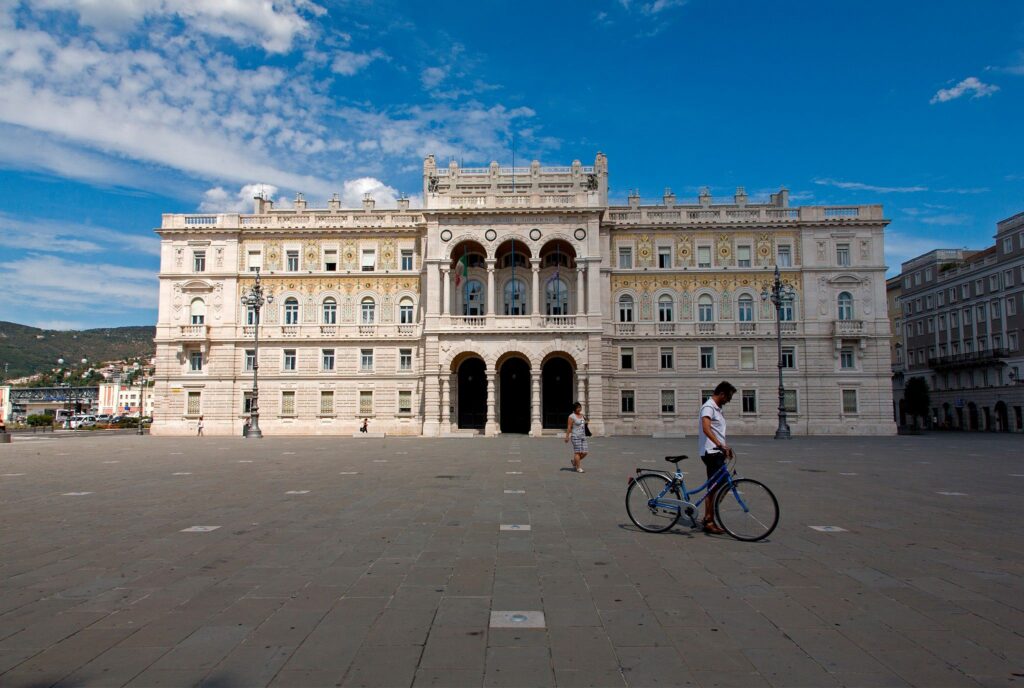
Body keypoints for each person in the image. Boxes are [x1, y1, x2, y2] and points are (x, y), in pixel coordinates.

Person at [698, 381, 736, 535]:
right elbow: (706, 429)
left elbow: (717, 431)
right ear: (721, 394)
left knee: (717, 486)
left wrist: (723, 447)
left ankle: (708, 516)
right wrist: (720, 445)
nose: (729, 400)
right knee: (714, 487)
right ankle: (708, 520)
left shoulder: (717, 409)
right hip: (711, 452)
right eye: (728, 397)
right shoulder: (708, 407)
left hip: (717, 451)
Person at [563, 402, 588, 473]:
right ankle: (578, 468)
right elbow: (569, 427)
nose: (579, 409)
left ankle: (574, 462)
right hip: (575, 436)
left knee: (585, 452)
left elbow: (586, 423)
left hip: (583, 436)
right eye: (578, 407)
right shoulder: (571, 416)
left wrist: (586, 420)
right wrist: (567, 436)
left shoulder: (582, 415)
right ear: (574, 409)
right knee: (577, 452)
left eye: (580, 407)